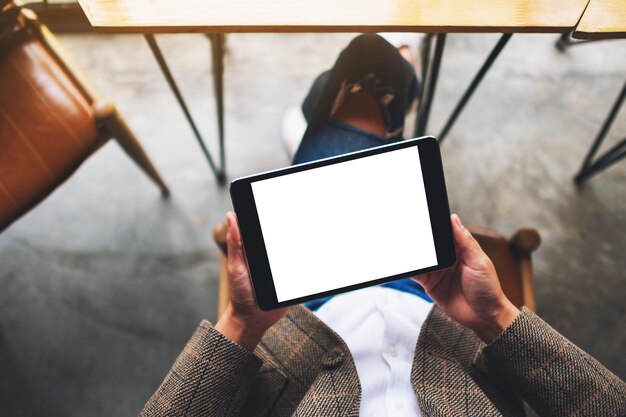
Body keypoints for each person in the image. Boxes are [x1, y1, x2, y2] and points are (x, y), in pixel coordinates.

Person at [140, 35, 626, 417]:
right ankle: (382, 81)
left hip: (305, 310)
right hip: (438, 308)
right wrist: (495, 316)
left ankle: (350, 96)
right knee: (372, 89)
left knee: (359, 79)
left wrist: (242, 323)